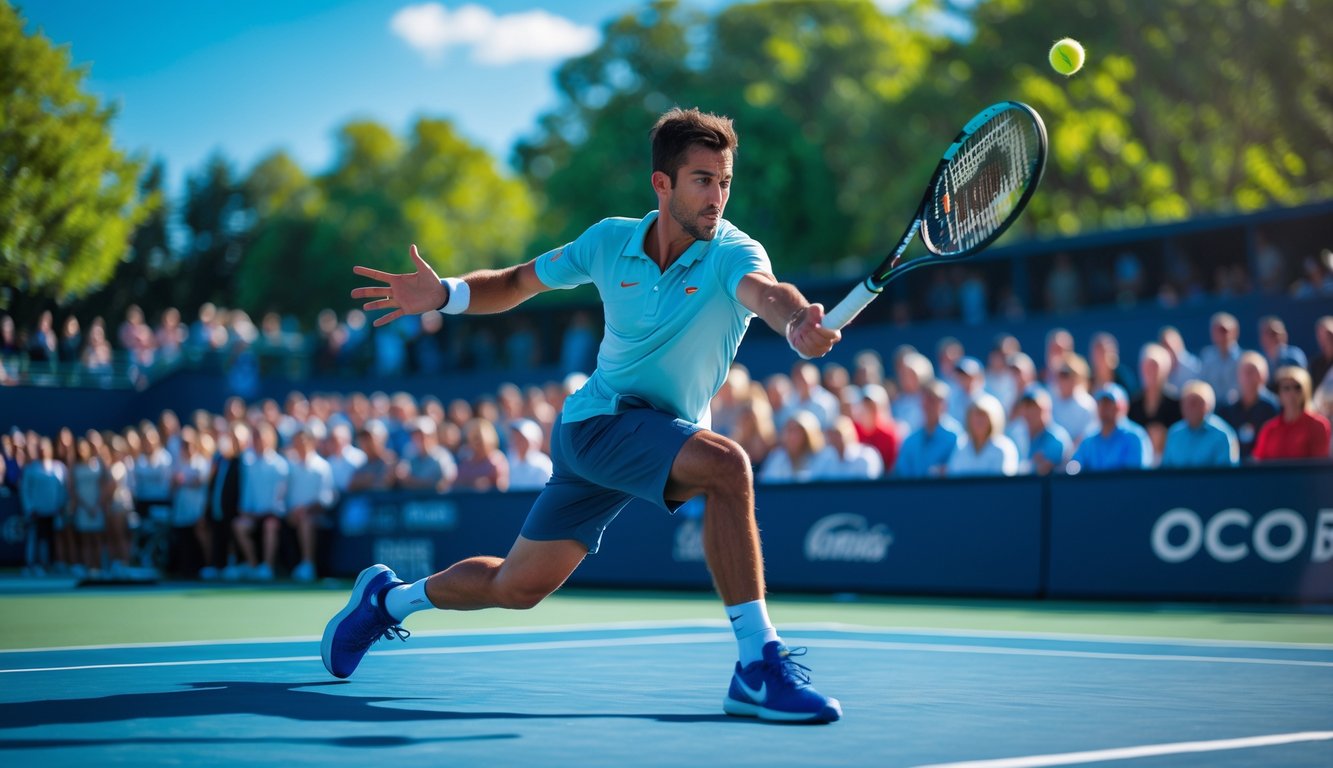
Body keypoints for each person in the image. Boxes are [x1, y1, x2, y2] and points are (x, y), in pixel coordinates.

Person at [324, 107, 842, 723]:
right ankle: (758, 665)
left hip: (654, 435)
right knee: (727, 466)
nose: (717, 197)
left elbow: (767, 292)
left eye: (725, 182)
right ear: (662, 184)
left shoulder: (734, 252)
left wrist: (794, 322)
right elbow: (519, 281)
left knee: (515, 587)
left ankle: (390, 600)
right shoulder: (606, 241)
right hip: (594, 425)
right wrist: (446, 295)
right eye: (702, 180)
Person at [286, 428, 336, 582]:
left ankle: (308, 565)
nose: (300, 445)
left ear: (312, 443)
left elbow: (327, 498)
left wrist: (306, 510)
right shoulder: (291, 467)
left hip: (316, 516)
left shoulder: (322, 466)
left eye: (303, 441)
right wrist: (292, 512)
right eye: (297, 442)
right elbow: (286, 495)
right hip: (293, 515)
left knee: (306, 522)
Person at [1252, 366, 1332, 461]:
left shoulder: (1318, 425)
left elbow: (1319, 467)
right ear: (1279, 394)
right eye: (1286, 388)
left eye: (1297, 387)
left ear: (1305, 391)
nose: (1292, 393)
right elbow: (1258, 461)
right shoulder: (1269, 429)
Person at [1069, 384, 1150, 472]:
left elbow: (1135, 478)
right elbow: (1073, 469)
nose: (1103, 407)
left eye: (1109, 403)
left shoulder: (1135, 437)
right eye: (1101, 403)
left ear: (1121, 407)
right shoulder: (1089, 440)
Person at [892, 379, 962, 478]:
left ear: (944, 404)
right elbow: (902, 474)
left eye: (934, 400)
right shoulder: (911, 440)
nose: (929, 405)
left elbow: (959, 470)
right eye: (926, 400)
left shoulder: (957, 437)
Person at [1216, 352, 1279, 461]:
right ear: (1238, 376)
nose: (1249, 377)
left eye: (1253, 372)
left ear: (1264, 375)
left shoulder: (1273, 407)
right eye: (1246, 372)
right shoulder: (1228, 407)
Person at [1161, 381, 1239, 468]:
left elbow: (1227, 476)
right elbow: (1166, 471)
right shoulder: (1174, 433)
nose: (1189, 407)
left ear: (1208, 405)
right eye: (1186, 402)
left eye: (1195, 402)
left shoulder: (1222, 435)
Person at [20, 437, 66, 577]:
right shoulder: (30, 469)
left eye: (45, 448)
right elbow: (25, 490)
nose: (42, 451)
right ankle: (33, 565)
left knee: (52, 539)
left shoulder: (59, 467)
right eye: (40, 449)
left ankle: (50, 564)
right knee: (36, 538)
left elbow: (62, 490)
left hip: (53, 511)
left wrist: (60, 507)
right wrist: (30, 508)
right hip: (36, 511)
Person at [945, 393, 1019, 477]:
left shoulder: (1003, 448)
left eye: (983, 415)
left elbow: (1003, 485)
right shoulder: (961, 446)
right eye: (975, 415)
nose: (978, 420)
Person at [1014, 386, 1071, 476]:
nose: (1029, 412)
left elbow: (1042, 470)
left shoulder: (1056, 437)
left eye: (1034, 407)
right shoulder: (1018, 433)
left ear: (1047, 409)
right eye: (1025, 406)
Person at [758, 411, 825, 483]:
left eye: (797, 431)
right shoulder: (777, 457)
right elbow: (767, 483)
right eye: (789, 431)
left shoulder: (823, 458)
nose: (792, 436)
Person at [808, 415, 882, 481]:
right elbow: (814, 482)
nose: (833, 438)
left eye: (837, 433)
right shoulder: (826, 457)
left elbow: (868, 491)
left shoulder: (866, 456)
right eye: (830, 434)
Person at [1199, 312, 1243, 403]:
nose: (1220, 334)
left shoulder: (1243, 359)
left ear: (1235, 332)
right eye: (1216, 330)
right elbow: (1202, 383)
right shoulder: (1207, 355)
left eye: (1224, 330)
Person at [505, 418, 553, 491]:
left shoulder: (543, 465)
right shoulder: (510, 463)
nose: (517, 441)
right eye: (515, 437)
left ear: (534, 441)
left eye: (522, 438)